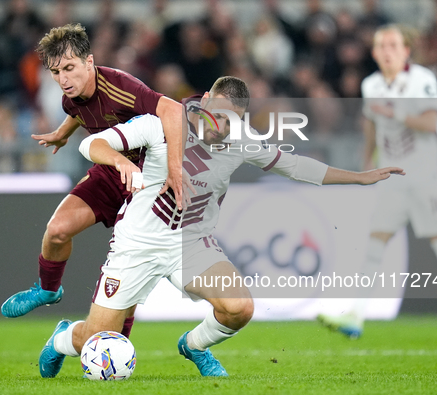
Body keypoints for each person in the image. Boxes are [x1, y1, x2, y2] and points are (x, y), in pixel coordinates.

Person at [37, 76, 404, 378]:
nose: (222, 126)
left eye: (232, 120)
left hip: (192, 244)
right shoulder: (164, 120)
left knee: (239, 308)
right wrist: (123, 164)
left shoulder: (241, 139)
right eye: (219, 116)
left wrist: (359, 178)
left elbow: (295, 167)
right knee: (95, 340)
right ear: (207, 99)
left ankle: (193, 346)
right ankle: (61, 339)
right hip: (138, 243)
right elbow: (94, 144)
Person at [0, 24, 184, 336]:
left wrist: (175, 168)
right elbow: (79, 112)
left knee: (127, 280)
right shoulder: (69, 98)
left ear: (89, 61)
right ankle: (48, 290)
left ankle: (114, 342)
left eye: (70, 68)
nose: (63, 79)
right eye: (56, 72)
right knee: (57, 231)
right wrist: (62, 134)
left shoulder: (120, 86)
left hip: (146, 182)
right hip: (112, 170)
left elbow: (174, 110)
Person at [317, 24, 437, 340]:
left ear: (406, 50)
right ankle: (356, 316)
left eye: (393, 45)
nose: (387, 51)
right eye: (381, 45)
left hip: (425, 178)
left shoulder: (422, 80)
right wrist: (367, 161)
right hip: (392, 179)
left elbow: (431, 123)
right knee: (374, 245)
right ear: (375, 52)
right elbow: (371, 124)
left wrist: (393, 112)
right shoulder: (371, 84)